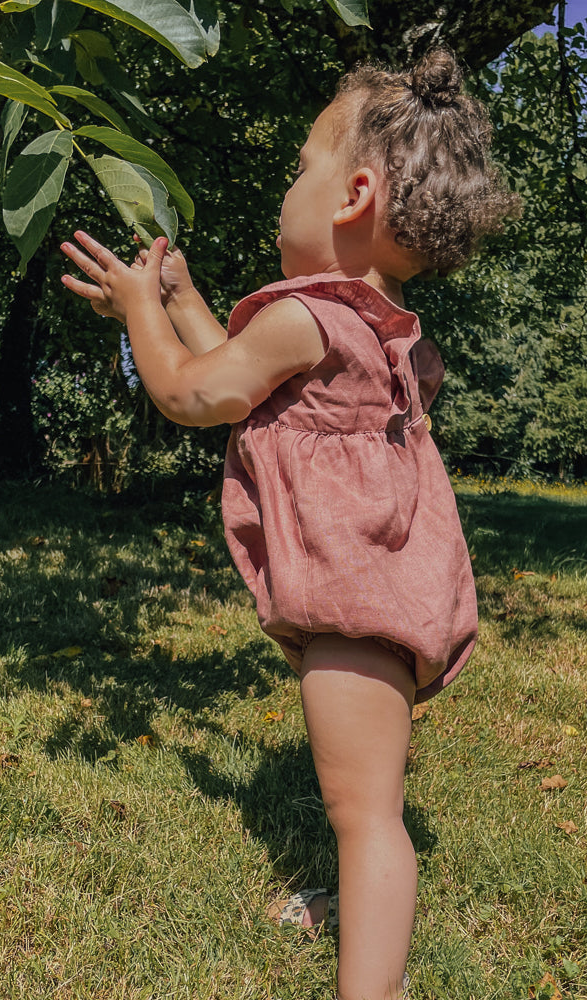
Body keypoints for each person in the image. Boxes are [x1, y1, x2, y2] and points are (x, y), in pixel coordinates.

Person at [61, 47, 518, 1000]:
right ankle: (356, 907)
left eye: (299, 169)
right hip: (393, 585)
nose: (288, 188)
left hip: (353, 599)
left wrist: (143, 313)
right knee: (372, 800)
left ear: (352, 195)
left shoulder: (307, 319)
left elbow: (195, 394)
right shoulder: (384, 328)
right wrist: (183, 300)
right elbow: (252, 392)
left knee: (366, 815)